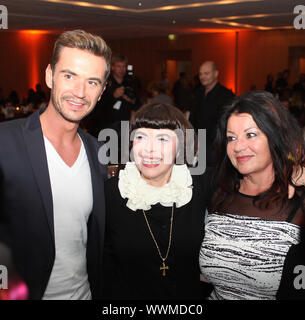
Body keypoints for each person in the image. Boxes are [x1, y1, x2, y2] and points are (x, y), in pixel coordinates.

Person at [0, 29, 112, 299]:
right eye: (69, 76)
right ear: (50, 76)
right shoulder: (5, 142)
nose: (80, 92)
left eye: (92, 82)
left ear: (102, 91)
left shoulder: (99, 153)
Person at [199, 90, 305, 300]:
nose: (238, 147)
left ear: (275, 136)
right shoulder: (217, 189)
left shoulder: (298, 198)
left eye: (251, 134)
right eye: (231, 138)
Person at [102, 102, 213, 300]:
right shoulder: (112, 193)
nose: (149, 150)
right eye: (141, 137)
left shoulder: (197, 189)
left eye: (162, 139)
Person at [189, 61, 234, 167]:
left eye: (206, 73)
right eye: (200, 74)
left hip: (215, 149)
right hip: (197, 146)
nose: (202, 76)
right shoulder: (198, 93)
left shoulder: (226, 95)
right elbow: (192, 119)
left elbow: (225, 125)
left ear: (216, 73)